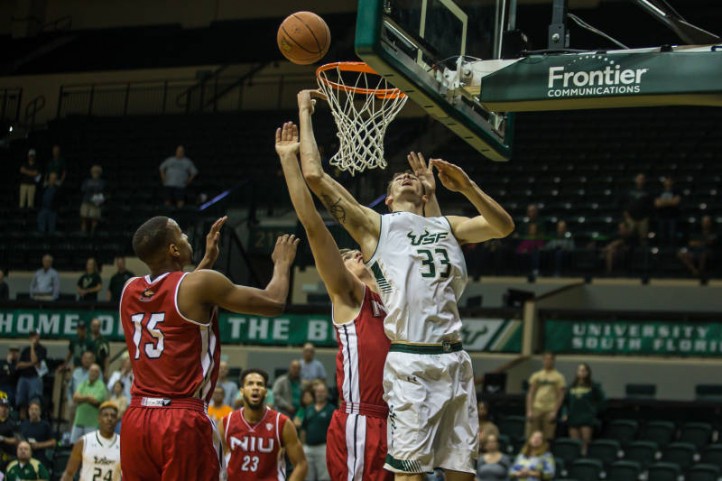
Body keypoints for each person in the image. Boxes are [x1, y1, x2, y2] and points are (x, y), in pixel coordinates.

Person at [296, 89, 514, 480]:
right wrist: (305, 113)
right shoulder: (377, 228)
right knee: (409, 474)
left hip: (457, 360)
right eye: (398, 178)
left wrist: (466, 188)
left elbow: (502, 226)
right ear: (388, 197)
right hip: (413, 360)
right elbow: (314, 176)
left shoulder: (446, 225)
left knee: (463, 472)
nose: (405, 176)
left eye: (411, 176)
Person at [277, 119, 434, 481]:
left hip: (404, 418)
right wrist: (289, 159)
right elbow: (313, 223)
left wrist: (427, 196)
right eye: (346, 257)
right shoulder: (349, 296)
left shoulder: (395, 296)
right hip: (361, 419)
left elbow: (423, 247)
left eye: (355, 253)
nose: (354, 257)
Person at [119, 215, 298, 481]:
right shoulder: (200, 284)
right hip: (180, 418)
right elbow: (273, 301)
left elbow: (176, 297)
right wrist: (282, 264)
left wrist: (206, 262)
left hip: (136, 420)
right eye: (181, 235)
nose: (188, 237)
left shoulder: (129, 289)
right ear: (173, 249)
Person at [220, 368, 307, 481]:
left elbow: (301, 464)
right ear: (241, 391)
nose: (255, 387)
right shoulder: (226, 423)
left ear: (266, 391)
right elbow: (213, 462)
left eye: (260, 384)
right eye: (250, 384)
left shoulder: (282, 423)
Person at [60, 401, 121, 481]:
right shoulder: (83, 442)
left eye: (113, 416)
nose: (109, 419)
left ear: (117, 420)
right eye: (105, 415)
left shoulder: (123, 444)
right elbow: (69, 473)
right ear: (99, 418)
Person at [563, 363, 605, 455]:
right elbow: (565, 402)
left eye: (584, 370)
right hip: (573, 417)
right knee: (574, 443)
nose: (581, 373)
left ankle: (584, 459)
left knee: (585, 442)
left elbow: (602, 401)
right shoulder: (571, 387)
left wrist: (594, 411)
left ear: (587, 373)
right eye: (579, 370)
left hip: (587, 418)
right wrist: (565, 413)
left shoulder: (593, 387)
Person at [525, 353, 566, 441]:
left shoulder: (558, 377)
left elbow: (561, 395)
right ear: (543, 360)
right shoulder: (536, 375)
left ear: (553, 361)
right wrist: (529, 410)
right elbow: (531, 393)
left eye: (550, 359)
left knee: (548, 437)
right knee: (531, 436)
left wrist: (555, 412)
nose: (548, 361)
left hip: (549, 409)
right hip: (536, 408)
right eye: (546, 359)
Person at [301, 382, 335, 481]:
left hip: (323, 448)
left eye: (322, 392)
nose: (320, 394)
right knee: (307, 478)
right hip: (308, 448)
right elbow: (303, 429)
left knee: (324, 478)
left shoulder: (331, 410)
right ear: (315, 393)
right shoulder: (309, 409)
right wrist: (303, 447)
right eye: (318, 392)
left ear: (326, 393)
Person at [70, 363, 107, 443]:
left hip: (92, 423)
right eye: (91, 371)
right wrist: (88, 397)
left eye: (95, 371)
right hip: (78, 420)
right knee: (74, 445)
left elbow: (96, 401)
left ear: (98, 374)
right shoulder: (83, 384)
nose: (92, 373)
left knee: (90, 446)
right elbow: (75, 397)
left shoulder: (101, 386)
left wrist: (82, 397)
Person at [16, 330, 47, 419]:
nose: (33, 338)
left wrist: (32, 347)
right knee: (21, 402)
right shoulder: (25, 350)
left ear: (38, 337)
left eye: (35, 336)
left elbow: (35, 361)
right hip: (24, 378)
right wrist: (31, 364)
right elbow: (19, 365)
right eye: (31, 336)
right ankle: (23, 422)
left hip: (35, 378)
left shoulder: (42, 349)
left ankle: (34, 420)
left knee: (34, 401)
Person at [19, 400, 55, 468]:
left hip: (40, 456)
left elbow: (53, 442)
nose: (33, 411)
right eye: (31, 409)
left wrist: (38, 445)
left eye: (36, 409)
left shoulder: (45, 425)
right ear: (28, 411)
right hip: (25, 456)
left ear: (40, 412)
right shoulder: (23, 424)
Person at [621, 173, 653, 246]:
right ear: (635, 180)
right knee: (629, 237)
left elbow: (651, 205)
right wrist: (625, 213)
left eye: (642, 179)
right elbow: (623, 203)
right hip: (631, 218)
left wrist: (647, 216)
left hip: (643, 218)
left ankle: (644, 254)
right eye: (639, 178)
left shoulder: (648, 192)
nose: (640, 180)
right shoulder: (629, 191)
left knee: (643, 238)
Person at [655, 176, 681, 248]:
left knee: (672, 235)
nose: (668, 182)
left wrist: (663, 202)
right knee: (662, 235)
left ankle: (672, 250)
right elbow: (657, 204)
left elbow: (676, 202)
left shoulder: (676, 191)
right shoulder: (659, 191)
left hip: (672, 216)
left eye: (669, 181)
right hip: (661, 216)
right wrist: (670, 202)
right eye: (666, 181)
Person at [80, 165, 106, 234]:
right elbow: (83, 189)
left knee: (94, 218)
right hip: (86, 200)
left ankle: (92, 233)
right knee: (84, 217)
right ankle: (83, 232)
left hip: (96, 201)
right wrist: (93, 189)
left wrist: (91, 189)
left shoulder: (102, 182)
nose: (95, 173)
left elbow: (100, 189)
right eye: (94, 172)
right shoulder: (87, 181)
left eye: (97, 172)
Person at [0, 397, 18, 471]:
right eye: (1, 406)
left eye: (6, 407)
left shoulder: (13, 423)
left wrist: (3, 439)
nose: (4, 409)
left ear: (9, 409)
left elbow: (17, 440)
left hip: (8, 457)